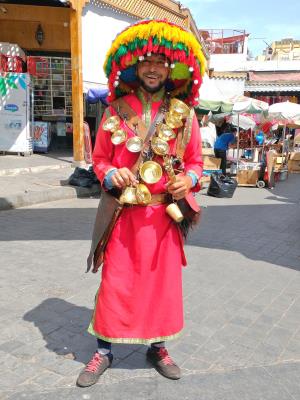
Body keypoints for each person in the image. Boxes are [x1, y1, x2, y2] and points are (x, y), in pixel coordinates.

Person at [76, 19, 206, 387]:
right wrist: (110, 173)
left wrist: (190, 179)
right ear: (136, 66)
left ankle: (158, 347)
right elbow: (100, 158)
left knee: (161, 285)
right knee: (115, 281)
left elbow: (197, 162)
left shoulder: (185, 114)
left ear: (170, 68)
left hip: (164, 217)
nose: (152, 68)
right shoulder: (115, 110)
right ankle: (103, 349)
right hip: (123, 216)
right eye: (146, 61)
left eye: (160, 62)